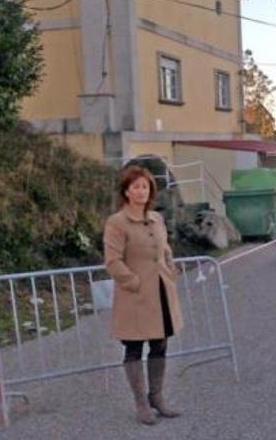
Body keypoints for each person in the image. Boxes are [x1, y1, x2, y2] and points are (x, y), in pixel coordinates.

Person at [104, 165, 184, 425]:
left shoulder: (156, 219)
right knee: (134, 348)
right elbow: (113, 260)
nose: (141, 191)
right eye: (136, 186)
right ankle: (141, 404)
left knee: (160, 344)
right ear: (126, 191)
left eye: (145, 187)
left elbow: (165, 249)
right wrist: (133, 282)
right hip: (135, 296)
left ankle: (157, 397)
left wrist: (170, 270)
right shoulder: (116, 223)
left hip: (161, 292)